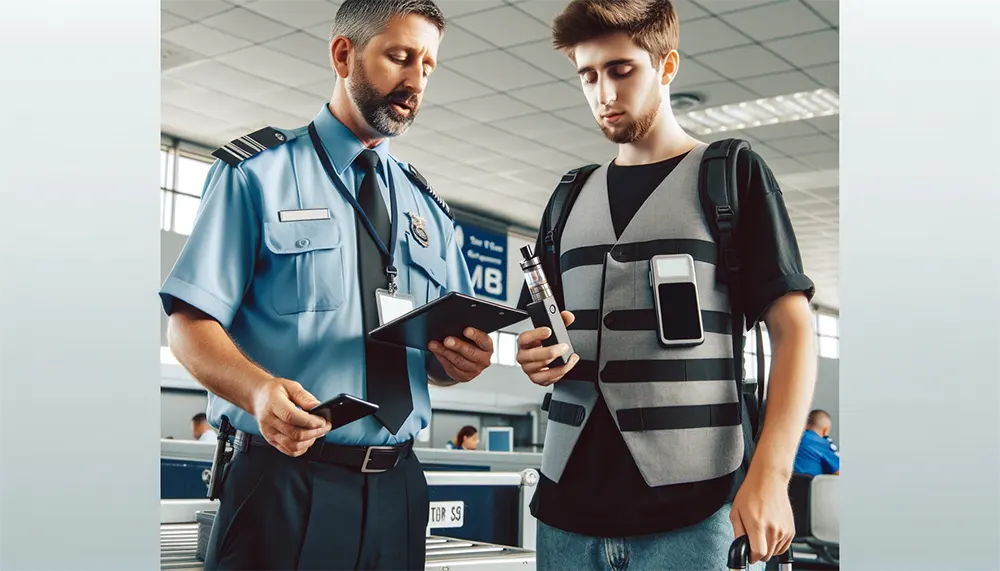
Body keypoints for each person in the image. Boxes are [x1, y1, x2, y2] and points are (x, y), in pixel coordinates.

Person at [159, 2, 494, 570]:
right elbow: (188, 326)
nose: (415, 81)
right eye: (400, 57)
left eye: (429, 65)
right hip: (283, 483)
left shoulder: (429, 210)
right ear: (344, 54)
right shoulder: (256, 173)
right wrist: (259, 392)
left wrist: (459, 361)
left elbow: (438, 354)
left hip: (400, 489)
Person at [514, 1, 819, 569]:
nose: (604, 92)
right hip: (565, 514)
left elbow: (795, 331)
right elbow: (539, 334)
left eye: (621, 70)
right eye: (588, 75)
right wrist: (533, 355)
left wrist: (772, 476)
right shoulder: (567, 198)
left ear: (667, 65)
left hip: (693, 512)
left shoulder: (729, 175)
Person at [793, 409, 840, 476]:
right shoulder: (823, 444)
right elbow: (839, 472)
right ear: (825, 431)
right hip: (808, 485)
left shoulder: (789, 438)